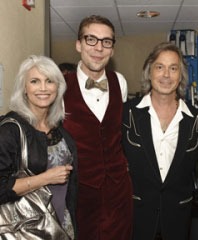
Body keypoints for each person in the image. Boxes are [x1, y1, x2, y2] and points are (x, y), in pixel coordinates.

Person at [122, 42, 198, 240]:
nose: (166, 75)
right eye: (160, 67)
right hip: (136, 217)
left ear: (181, 76)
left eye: (173, 68)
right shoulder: (126, 113)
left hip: (179, 219)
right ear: (149, 73)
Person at [62, 15, 132, 240]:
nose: (98, 48)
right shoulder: (61, 86)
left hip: (119, 191)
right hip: (80, 192)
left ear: (112, 49)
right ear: (78, 44)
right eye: (91, 39)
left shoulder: (119, 81)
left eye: (106, 41)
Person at [0, 55, 78, 239]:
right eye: (35, 81)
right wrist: (46, 178)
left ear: (58, 87)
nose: (43, 88)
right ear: (24, 88)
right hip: (27, 230)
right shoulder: (10, 130)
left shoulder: (58, 127)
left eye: (49, 81)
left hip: (62, 223)